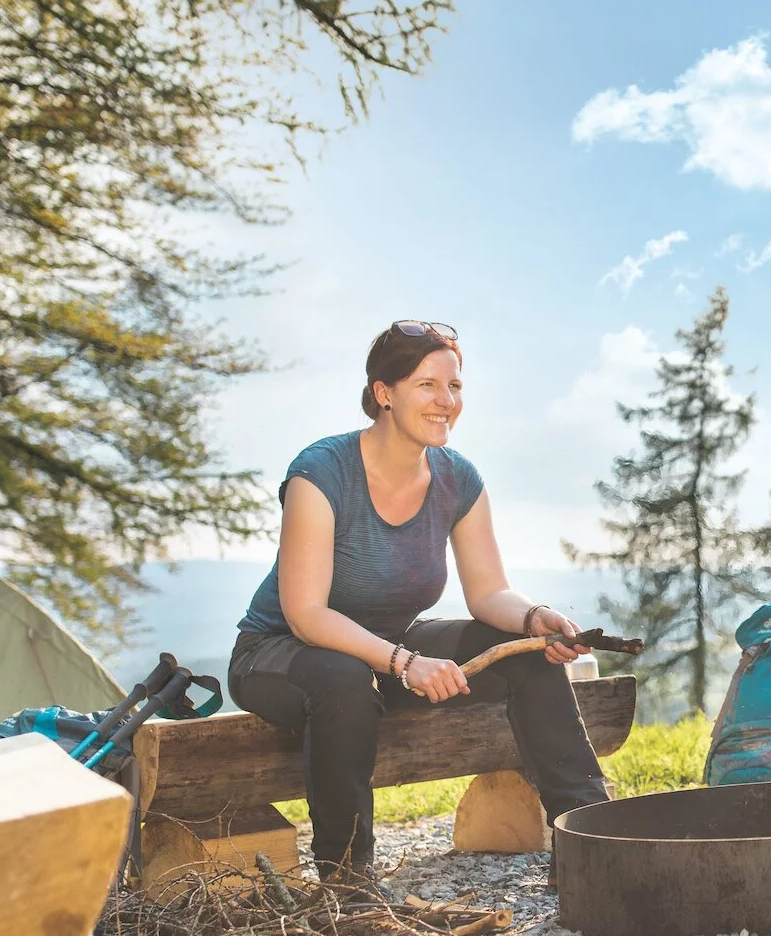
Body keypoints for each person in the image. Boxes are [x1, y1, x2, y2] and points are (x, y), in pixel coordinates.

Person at [228, 320, 610, 887]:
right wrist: (406, 664)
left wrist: (534, 620)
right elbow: (307, 614)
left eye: (455, 387)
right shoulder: (322, 472)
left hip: (388, 656)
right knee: (342, 677)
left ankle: (589, 841)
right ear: (384, 393)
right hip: (282, 654)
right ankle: (347, 882)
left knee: (522, 653)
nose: (446, 401)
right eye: (427, 385)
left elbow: (487, 593)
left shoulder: (458, 479)